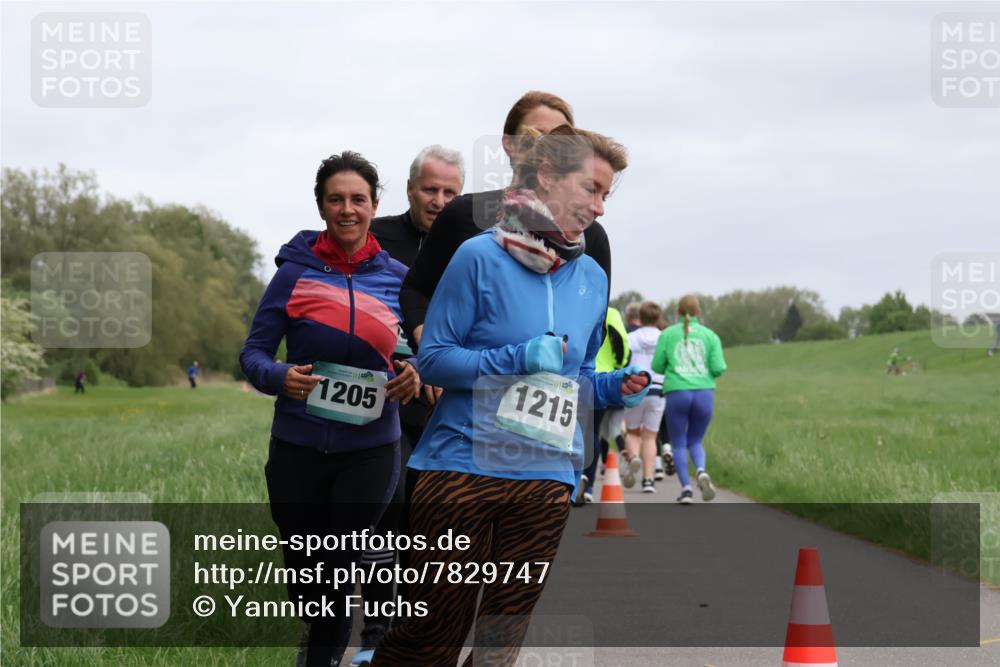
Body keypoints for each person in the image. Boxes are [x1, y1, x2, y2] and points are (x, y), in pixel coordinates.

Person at [372, 126, 650, 666]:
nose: (599, 207)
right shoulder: (479, 256)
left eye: (605, 195)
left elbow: (577, 377)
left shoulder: (591, 275)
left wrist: (614, 387)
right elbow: (433, 360)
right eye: (591, 189)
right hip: (461, 468)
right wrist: (516, 358)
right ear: (547, 176)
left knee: (503, 637)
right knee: (432, 636)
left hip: (545, 477)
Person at [239, 151, 421, 667]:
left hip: (369, 449)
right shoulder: (293, 274)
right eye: (336, 199)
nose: (348, 209)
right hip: (297, 446)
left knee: (339, 566)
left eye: (358, 199)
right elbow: (252, 354)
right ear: (321, 206)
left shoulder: (398, 280)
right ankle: (319, 640)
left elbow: (417, 352)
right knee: (307, 577)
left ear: (374, 205)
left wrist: (413, 375)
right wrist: (280, 378)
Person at [351, 145, 464, 667]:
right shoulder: (380, 238)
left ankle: (415, 640)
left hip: (450, 407)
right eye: (430, 190)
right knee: (386, 515)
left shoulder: (472, 240)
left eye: (450, 192)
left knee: (432, 526)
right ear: (411, 189)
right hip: (387, 402)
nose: (439, 201)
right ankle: (375, 639)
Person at [398, 91, 612, 352]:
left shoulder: (590, 236)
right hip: (463, 384)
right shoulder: (464, 214)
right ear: (508, 144)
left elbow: (593, 327)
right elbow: (416, 291)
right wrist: (430, 345)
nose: (548, 146)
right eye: (538, 135)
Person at [651, 295, 727, 505]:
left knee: (678, 443)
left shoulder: (667, 334)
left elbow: (657, 365)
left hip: (677, 392)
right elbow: (719, 367)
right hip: (704, 392)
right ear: (699, 313)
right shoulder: (710, 336)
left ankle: (686, 489)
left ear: (677, 312)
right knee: (695, 441)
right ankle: (701, 470)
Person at [575, 306, 630, 506]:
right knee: (594, 432)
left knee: (571, 430)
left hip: (576, 376)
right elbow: (623, 343)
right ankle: (588, 485)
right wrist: (619, 366)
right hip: (601, 378)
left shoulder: (577, 305)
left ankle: (572, 480)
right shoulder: (612, 312)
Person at [622, 301, 668, 493]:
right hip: (658, 389)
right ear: (658, 318)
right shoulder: (664, 338)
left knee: (633, 432)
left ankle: (634, 459)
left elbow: (623, 360)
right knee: (650, 437)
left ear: (640, 317)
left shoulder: (630, 337)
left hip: (635, 387)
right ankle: (649, 480)